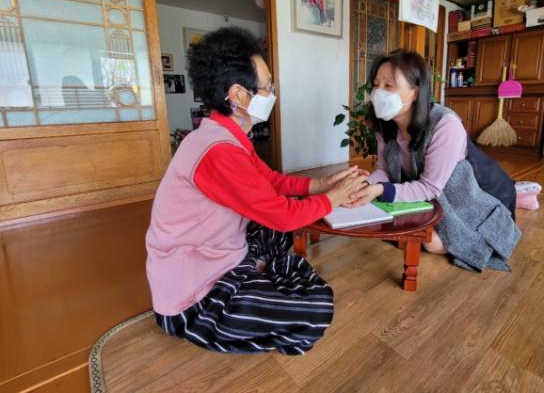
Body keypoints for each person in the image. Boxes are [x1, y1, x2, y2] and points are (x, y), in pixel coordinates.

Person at [145, 26, 368, 355]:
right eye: (267, 86)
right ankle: (242, 295)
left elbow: (271, 182)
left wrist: (322, 185)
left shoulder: (225, 134)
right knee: (317, 308)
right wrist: (334, 198)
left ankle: (257, 278)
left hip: (220, 253)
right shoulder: (217, 150)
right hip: (192, 297)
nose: (272, 93)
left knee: (280, 226)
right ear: (237, 95)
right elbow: (282, 215)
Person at [347, 49, 521, 272]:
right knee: (396, 229)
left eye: (389, 85)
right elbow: (384, 170)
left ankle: (516, 201)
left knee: (430, 243)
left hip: (468, 200)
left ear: (415, 92)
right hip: (430, 196)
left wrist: (380, 190)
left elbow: (430, 187)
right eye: (376, 84)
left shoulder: (445, 124)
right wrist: (365, 184)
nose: (378, 92)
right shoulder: (385, 125)